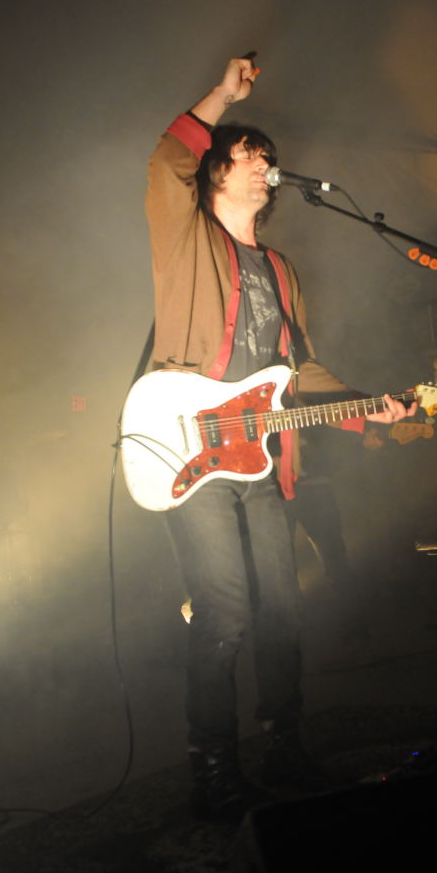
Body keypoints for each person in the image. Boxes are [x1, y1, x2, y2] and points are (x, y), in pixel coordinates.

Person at [145, 55, 414, 817]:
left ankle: (285, 745)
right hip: (193, 453)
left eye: (269, 155)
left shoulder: (281, 269)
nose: (266, 164)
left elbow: (298, 368)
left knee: (282, 610)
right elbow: (164, 162)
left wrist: (366, 407)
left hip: (259, 459)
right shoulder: (187, 236)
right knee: (224, 609)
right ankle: (212, 769)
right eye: (249, 153)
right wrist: (223, 96)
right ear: (216, 171)